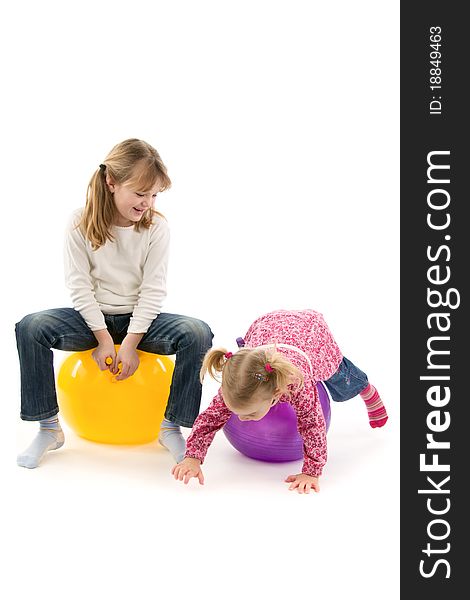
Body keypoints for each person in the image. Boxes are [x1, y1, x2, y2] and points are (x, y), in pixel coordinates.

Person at [16, 138, 213, 469]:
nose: (147, 202)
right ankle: (49, 427)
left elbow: (153, 292)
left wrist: (131, 343)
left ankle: (170, 426)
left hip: (140, 321)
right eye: (140, 193)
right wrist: (104, 338)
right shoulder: (79, 223)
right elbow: (79, 287)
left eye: (154, 195)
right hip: (91, 319)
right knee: (31, 326)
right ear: (111, 182)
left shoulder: (157, 228)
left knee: (197, 332)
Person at [171, 309, 387, 493]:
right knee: (240, 385)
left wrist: (311, 472)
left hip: (309, 333)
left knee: (339, 376)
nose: (243, 419)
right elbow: (210, 419)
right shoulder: (236, 383)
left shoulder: (299, 385)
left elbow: (313, 426)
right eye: (238, 412)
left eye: (251, 414)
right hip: (269, 327)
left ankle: (367, 390)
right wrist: (193, 457)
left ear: (276, 393)